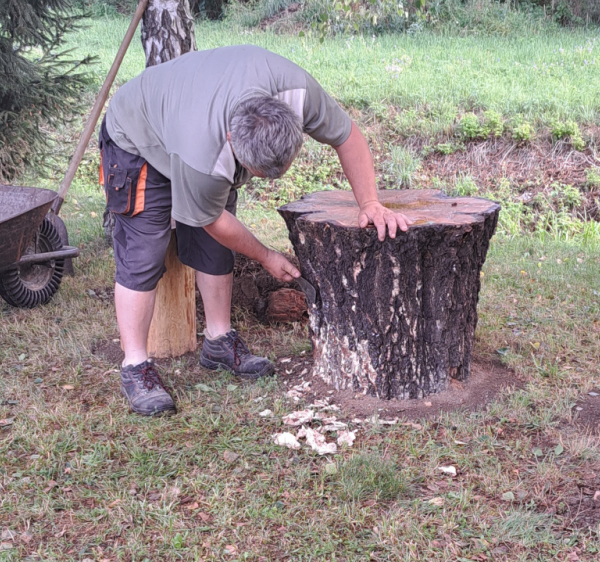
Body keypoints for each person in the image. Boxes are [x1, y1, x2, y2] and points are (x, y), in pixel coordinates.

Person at [100, 45, 409, 416]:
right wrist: (265, 255)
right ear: (232, 140)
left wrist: (370, 202)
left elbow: (346, 135)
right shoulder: (204, 152)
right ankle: (135, 366)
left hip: (190, 118)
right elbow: (211, 218)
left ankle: (218, 341)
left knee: (214, 247)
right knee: (144, 250)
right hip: (138, 133)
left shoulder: (298, 93)